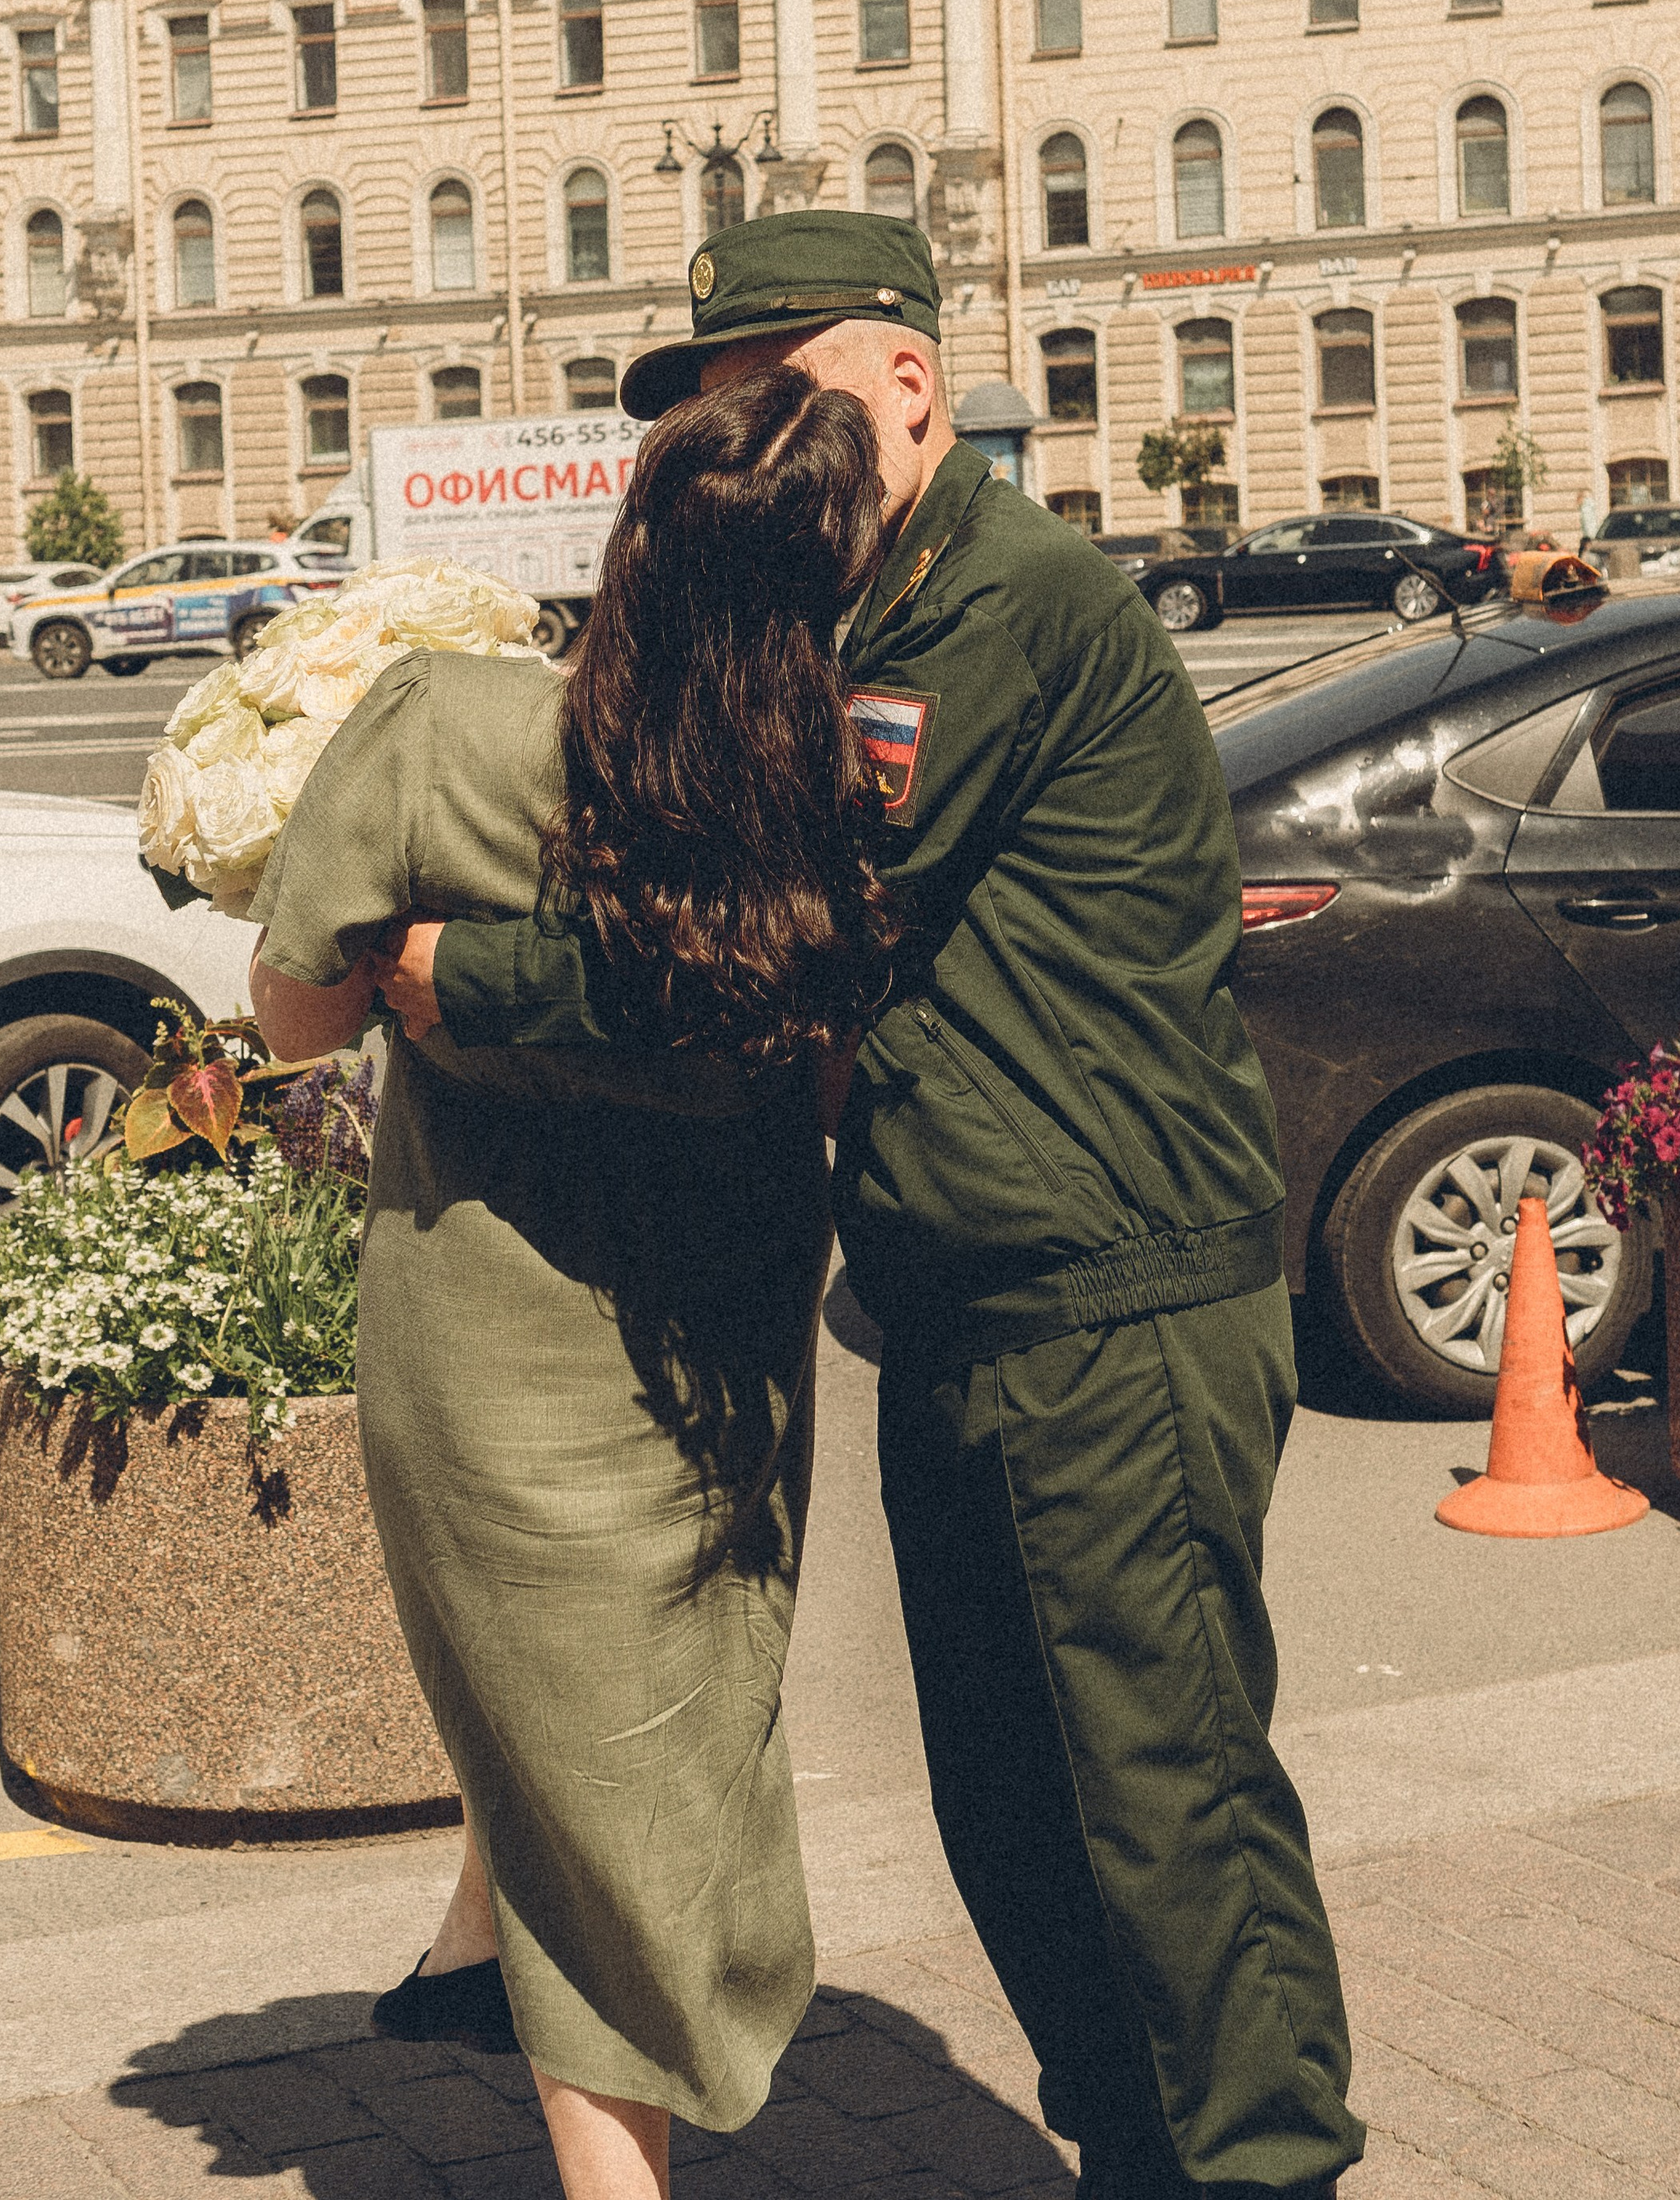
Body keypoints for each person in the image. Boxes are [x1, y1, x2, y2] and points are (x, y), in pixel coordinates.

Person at [377, 213, 1364, 2200]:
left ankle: (1258, 2169)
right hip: (959, 1303)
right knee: (1014, 1802)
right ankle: (1137, 2154)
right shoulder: (846, 615)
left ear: (907, 385)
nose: (745, 439)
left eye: (774, 392)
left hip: (1113, 1304)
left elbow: (761, 940)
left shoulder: (984, 613)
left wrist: (435, 977)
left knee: (1163, 1799)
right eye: (709, 413)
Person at [250, 367, 899, 2200]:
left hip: (480, 1352)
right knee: (656, 1719)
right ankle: (497, 1957)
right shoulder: (821, 800)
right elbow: (829, 1069)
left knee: (567, 1724)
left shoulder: (440, 722)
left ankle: (589, 2125)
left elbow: (289, 1021)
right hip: (718, 1340)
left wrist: (418, 965)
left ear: (623, 546)